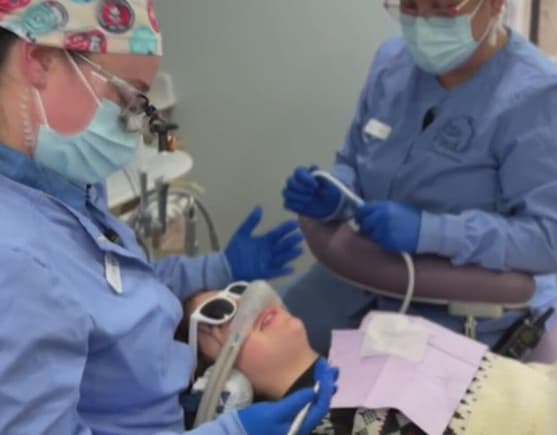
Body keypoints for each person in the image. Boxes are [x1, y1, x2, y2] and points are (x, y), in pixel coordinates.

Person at [0, 2, 334, 434]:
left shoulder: (64, 178)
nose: (135, 124)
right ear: (40, 60)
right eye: (125, 96)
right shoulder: (14, 258)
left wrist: (220, 268)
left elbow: (111, 288)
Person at [281, 0, 557, 352]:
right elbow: (354, 158)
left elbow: (551, 239)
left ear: (494, 5)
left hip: (461, 313)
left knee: (348, 402)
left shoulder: (542, 98)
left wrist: (430, 231)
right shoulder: (391, 62)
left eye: (443, 8)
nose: (424, 23)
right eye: (410, 7)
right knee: (244, 354)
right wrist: (337, 192)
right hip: (352, 286)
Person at [184, 290, 557, 435]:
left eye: (237, 290)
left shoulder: (378, 331)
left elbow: (507, 382)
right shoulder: (322, 425)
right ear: (221, 386)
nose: (247, 301)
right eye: (219, 314)